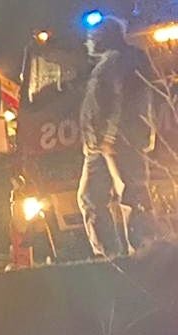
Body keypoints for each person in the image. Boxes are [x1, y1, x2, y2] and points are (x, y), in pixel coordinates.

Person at [78, 15, 157, 258]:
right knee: (92, 197)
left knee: (129, 194)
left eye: (91, 38)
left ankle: (139, 250)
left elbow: (124, 100)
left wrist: (111, 137)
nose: (87, 43)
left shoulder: (118, 61)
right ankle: (118, 254)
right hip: (101, 146)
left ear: (104, 37)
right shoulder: (114, 62)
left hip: (116, 143)